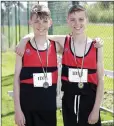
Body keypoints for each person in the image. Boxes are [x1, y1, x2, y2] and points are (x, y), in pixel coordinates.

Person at [15, 5, 104, 126]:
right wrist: (24, 39)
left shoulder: (95, 46)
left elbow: (101, 80)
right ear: (67, 20)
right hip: (65, 104)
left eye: (81, 19)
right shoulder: (64, 42)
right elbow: (41, 34)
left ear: (87, 20)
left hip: (88, 103)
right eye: (72, 19)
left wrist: (96, 109)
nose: (77, 23)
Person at [13, 4, 61, 126]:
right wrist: (17, 110)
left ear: (50, 22)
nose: (41, 25)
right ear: (30, 22)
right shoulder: (22, 49)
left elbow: (74, 40)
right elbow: (16, 80)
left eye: (45, 21)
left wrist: (26, 37)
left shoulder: (56, 46)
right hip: (27, 108)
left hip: (48, 109)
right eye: (37, 21)